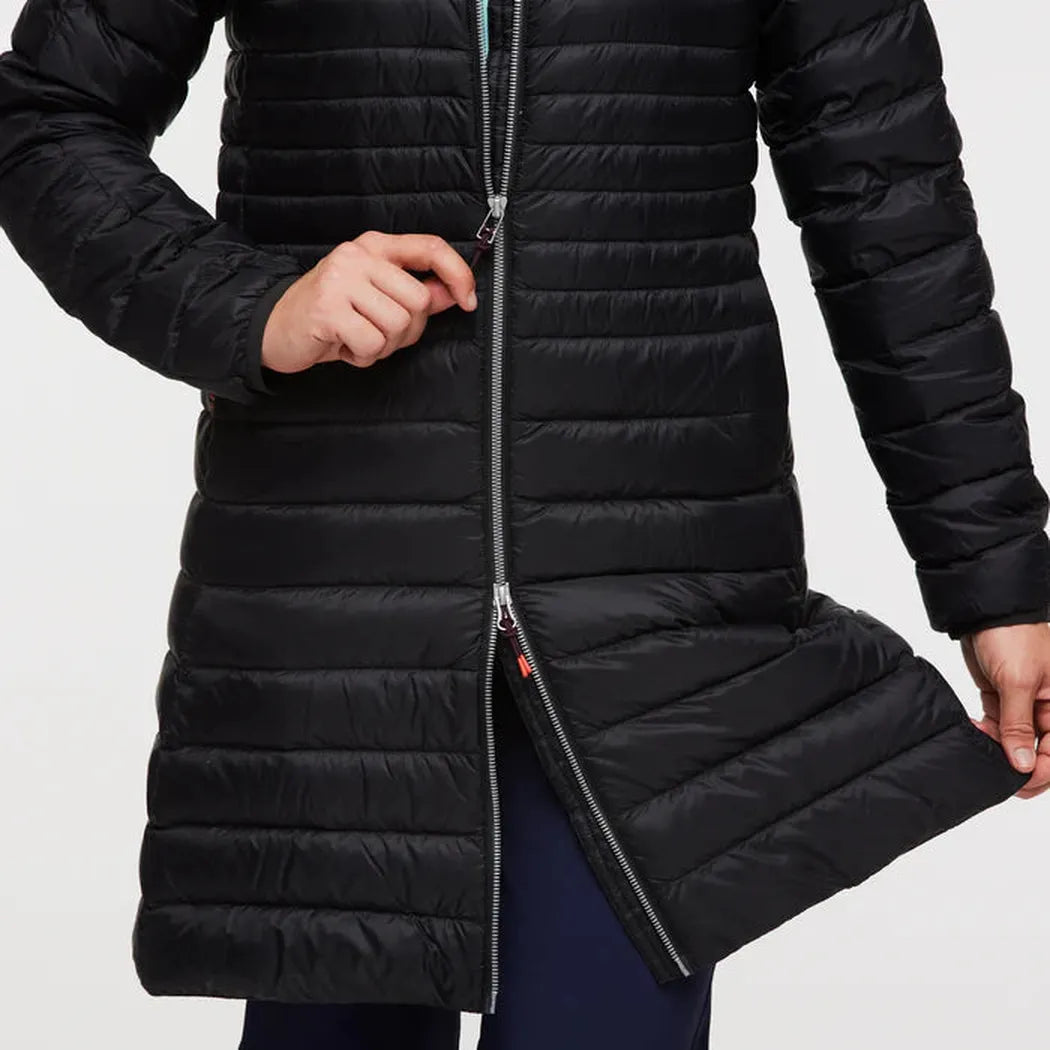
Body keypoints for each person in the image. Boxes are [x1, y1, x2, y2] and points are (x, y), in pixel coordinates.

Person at [0, 1, 1047, 1048]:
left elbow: (891, 216)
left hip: (659, 616)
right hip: (333, 621)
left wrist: (999, 576)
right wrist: (254, 304)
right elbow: (42, 114)